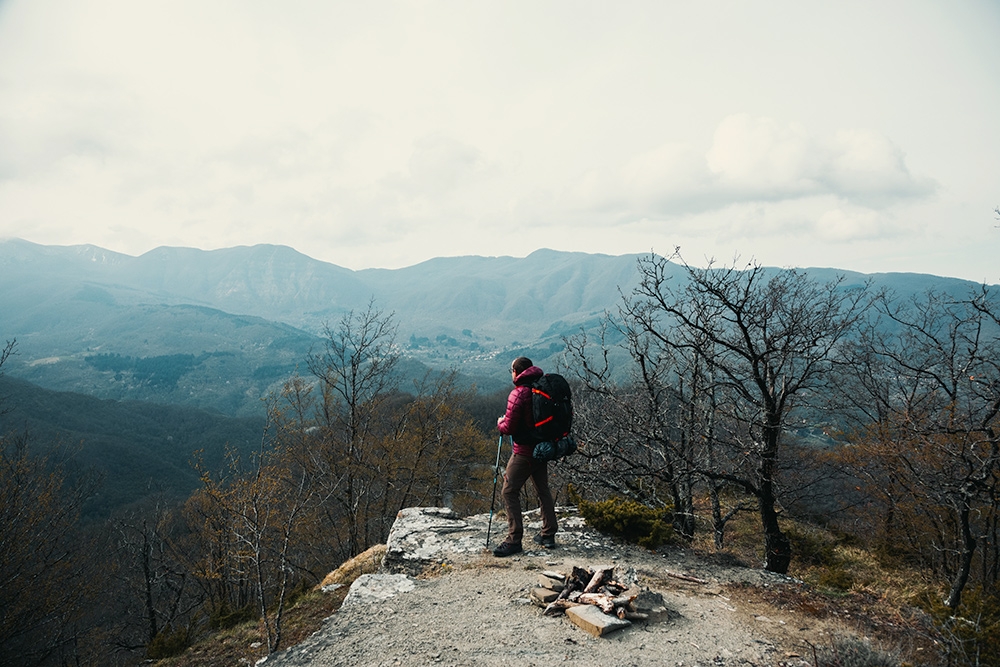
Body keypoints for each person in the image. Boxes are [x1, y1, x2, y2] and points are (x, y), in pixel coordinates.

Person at [493, 356, 558, 557]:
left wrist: (500, 423)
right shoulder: (542, 388)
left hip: (524, 451)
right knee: (542, 489)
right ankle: (548, 534)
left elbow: (510, 427)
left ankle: (514, 540)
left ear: (516, 372)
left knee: (509, 491)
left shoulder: (518, 393)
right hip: (542, 448)